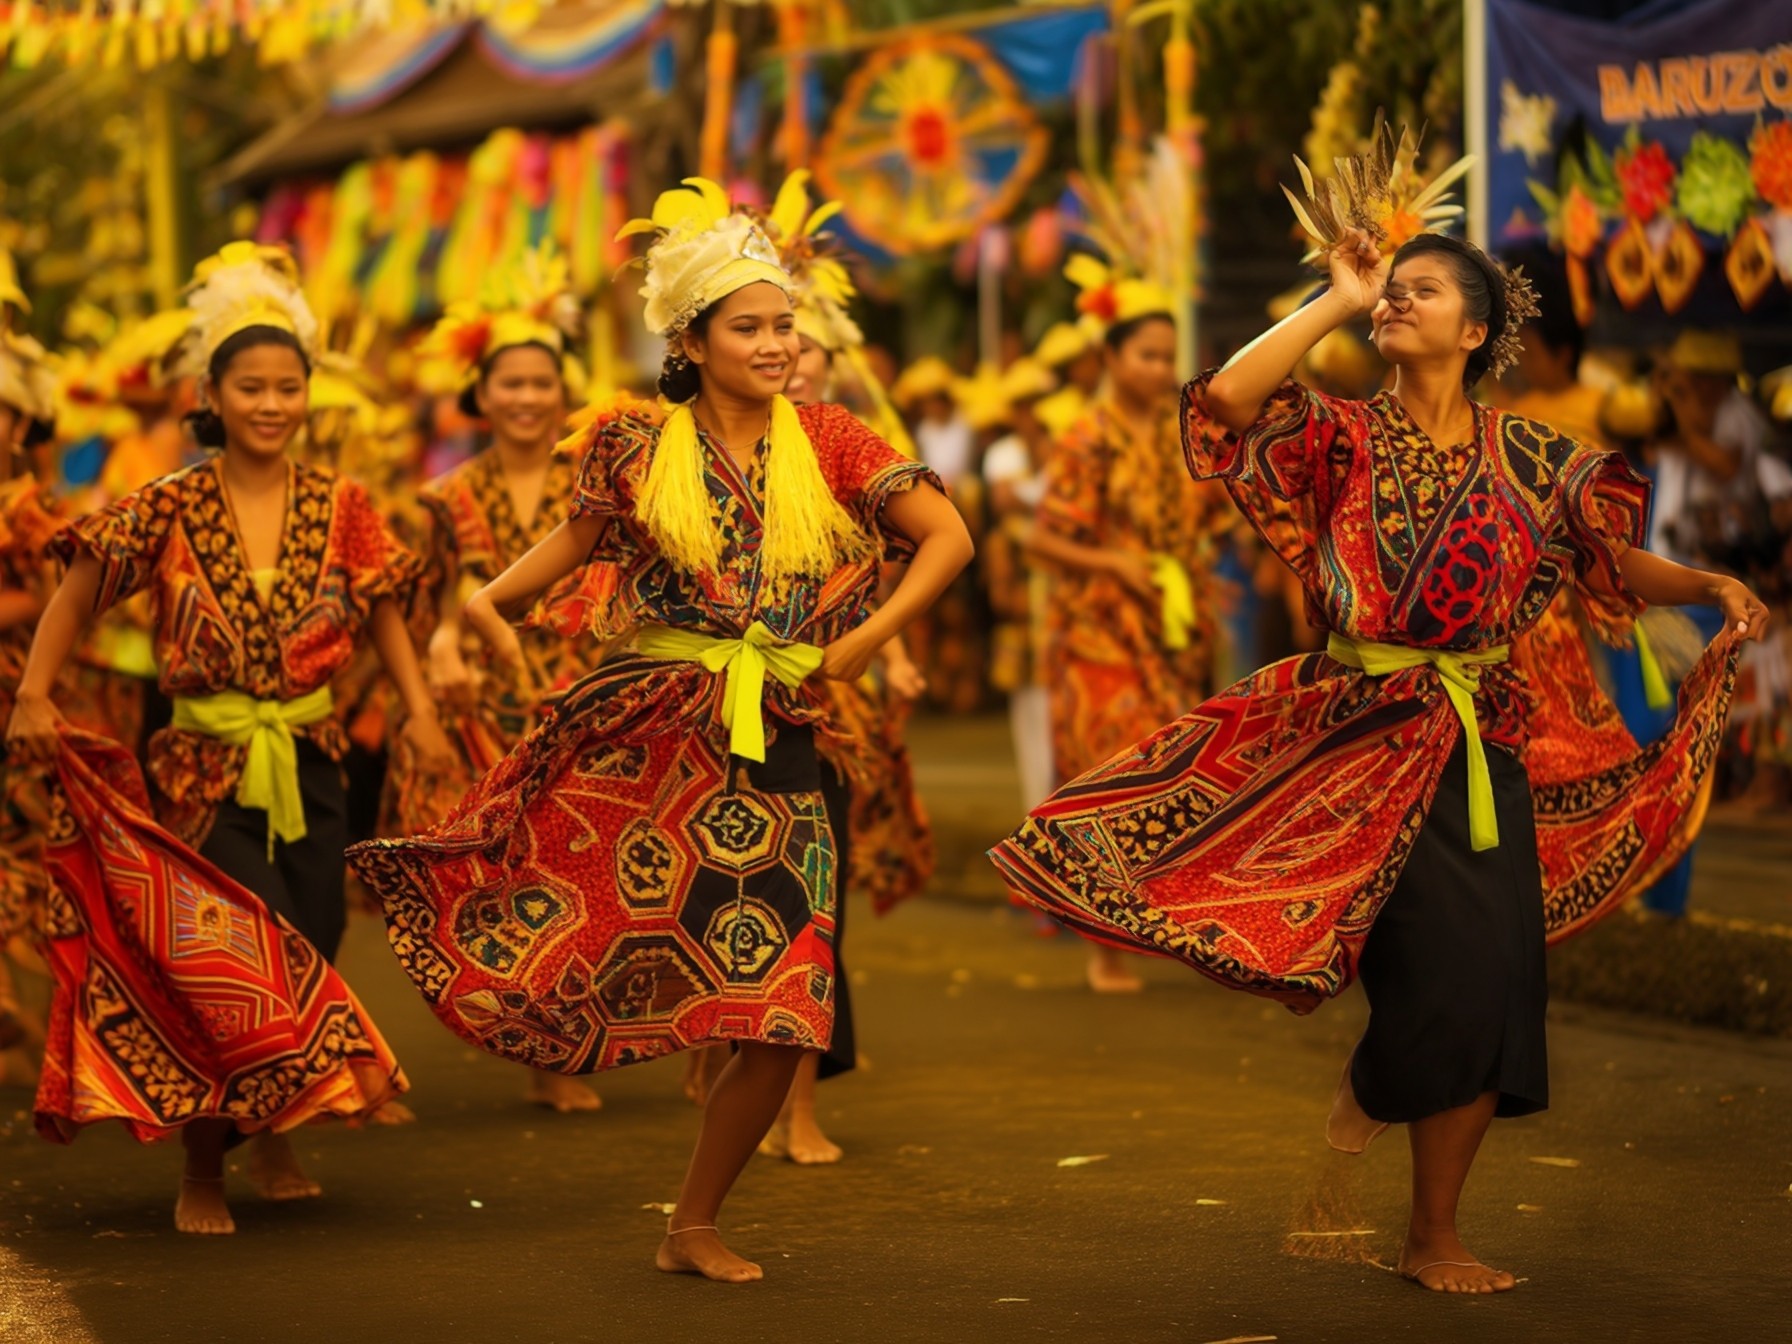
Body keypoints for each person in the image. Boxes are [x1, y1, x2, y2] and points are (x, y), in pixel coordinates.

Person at [992, 215, 1766, 1294]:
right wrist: (1336, 301)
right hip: (1352, 738)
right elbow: (1223, 405)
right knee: (1432, 979)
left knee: (1497, 985)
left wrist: (1708, 586)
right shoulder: (1340, 432)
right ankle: (1385, 1098)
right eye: (1388, 291)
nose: (1397, 300)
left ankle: (1429, 1231)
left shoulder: (1535, 456)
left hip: (1479, 741)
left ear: (1477, 326)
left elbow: (1610, 554)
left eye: (1421, 291)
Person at [347, 179, 973, 1282]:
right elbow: (569, 550)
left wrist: (868, 641)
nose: (777, 344)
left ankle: (693, 1222)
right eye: (751, 327)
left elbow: (949, 539)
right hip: (660, 734)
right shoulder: (635, 445)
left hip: (781, 732)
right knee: (592, 928)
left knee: (792, 1011)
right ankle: (554, 1045)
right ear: (691, 339)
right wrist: (485, 607)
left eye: (784, 324)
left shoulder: (828, 438)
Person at [6, 242, 438, 1235]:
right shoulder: (167, 503)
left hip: (314, 762)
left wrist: (415, 706)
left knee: (316, 944)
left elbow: (378, 612)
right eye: (252, 387)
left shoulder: (344, 505)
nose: (272, 405)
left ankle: (274, 1128)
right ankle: (204, 1169)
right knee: (231, 969)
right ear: (213, 392)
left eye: (288, 387)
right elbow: (76, 586)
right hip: (202, 771)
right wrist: (33, 692)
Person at [408, 245, 613, 1115]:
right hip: (488, 716)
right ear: (480, 396)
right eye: (510, 384)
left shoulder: (601, 484)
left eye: (542, 382)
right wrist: (439, 658)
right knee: (508, 882)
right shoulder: (444, 498)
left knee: (586, 878)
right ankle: (534, 1043)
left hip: (588, 703)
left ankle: (570, 1042)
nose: (527, 398)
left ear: (564, 392)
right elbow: (418, 612)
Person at [1027, 254, 1226, 993]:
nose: (1158, 368)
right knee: (1110, 778)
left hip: (1172, 629)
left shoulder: (1186, 433)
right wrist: (1116, 565)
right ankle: (1102, 945)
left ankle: (1148, 927)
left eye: (1166, 355)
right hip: (1099, 633)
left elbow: (1212, 514)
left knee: (1167, 780)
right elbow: (1043, 540)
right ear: (1108, 357)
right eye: (1145, 354)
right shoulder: (1088, 436)